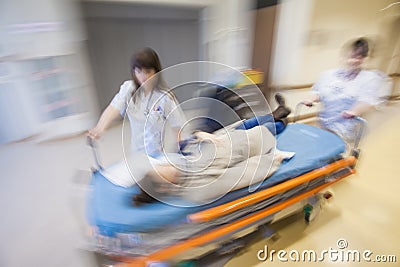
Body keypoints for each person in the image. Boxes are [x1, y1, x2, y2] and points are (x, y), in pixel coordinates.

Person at [133, 94, 293, 205]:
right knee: (269, 127)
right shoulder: (197, 190)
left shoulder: (179, 166)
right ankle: (283, 118)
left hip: (225, 136)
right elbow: (241, 176)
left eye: (159, 166)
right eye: (161, 171)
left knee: (248, 122)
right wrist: (271, 160)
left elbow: (190, 143)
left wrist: (200, 135)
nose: (165, 165)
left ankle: (279, 111)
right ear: (164, 187)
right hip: (246, 146)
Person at [88, 47, 185, 157]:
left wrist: (180, 146)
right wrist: (99, 128)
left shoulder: (165, 97)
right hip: (136, 153)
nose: (143, 77)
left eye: (148, 72)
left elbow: (177, 125)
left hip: (156, 153)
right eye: (139, 72)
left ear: (156, 71)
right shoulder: (128, 89)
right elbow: (113, 108)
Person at [302, 38, 383, 142]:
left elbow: (368, 101)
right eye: (353, 56)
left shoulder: (369, 78)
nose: (355, 61)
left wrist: (354, 111)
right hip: (324, 123)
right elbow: (318, 92)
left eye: (360, 57)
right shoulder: (328, 75)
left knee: (338, 154)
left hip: (346, 130)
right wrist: (311, 99)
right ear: (343, 56)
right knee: (320, 147)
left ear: (364, 59)